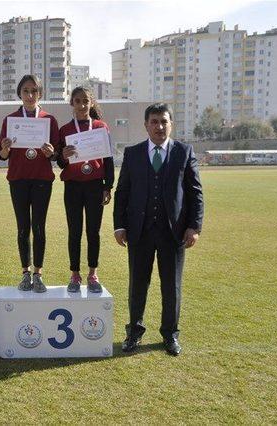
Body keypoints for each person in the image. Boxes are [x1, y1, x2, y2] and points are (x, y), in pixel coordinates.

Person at [113, 103, 204, 356]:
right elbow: (123, 193)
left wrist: (194, 227)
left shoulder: (184, 152)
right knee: (137, 284)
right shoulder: (132, 154)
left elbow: (195, 194)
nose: (159, 126)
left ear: (171, 124)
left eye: (164, 121)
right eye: (154, 122)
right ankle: (134, 333)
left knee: (171, 286)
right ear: (146, 125)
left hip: (172, 233)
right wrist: (120, 226)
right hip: (139, 231)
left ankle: (170, 334)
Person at [0, 74, 59, 293]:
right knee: (23, 228)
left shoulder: (49, 120)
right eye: (26, 91)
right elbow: (2, 155)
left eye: (34, 91)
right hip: (18, 179)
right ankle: (25, 273)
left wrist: (52, 153)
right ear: (20, 94)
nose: (30, 95)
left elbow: (57, 156)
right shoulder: (11, 120)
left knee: (39, 227)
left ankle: (38, 274)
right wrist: (5, 148)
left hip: (42, 180)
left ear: (40, 94)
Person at [56, 87, 114, 293]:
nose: (81, 105)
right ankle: (74, 274)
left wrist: (108, 186)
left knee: (93, 231)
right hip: (72, 186)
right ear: (71, 103)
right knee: (74, 231)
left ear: (91, 103)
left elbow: (108, 159)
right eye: (77, 101)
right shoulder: (64, 130)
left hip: (95, 186)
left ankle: (92, 273)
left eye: (85, 101)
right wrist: (62, 155)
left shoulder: (100, 126)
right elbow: (61, 163)